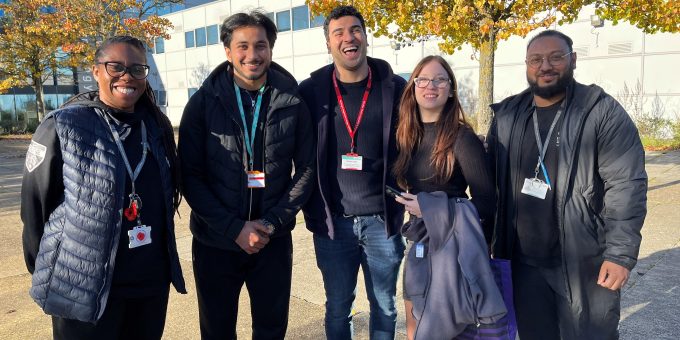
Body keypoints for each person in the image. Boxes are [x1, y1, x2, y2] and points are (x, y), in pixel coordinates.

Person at [21, 35, 186, 339]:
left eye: (138, 69)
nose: (127, 76)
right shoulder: (62, 126)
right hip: (82, 288)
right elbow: (34, 210)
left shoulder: (156, 126)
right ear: (96, 71)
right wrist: (49, 269)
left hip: (149, 285)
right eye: (116, 66)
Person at [486, 29, 648, 340]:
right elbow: (489, 183)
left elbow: (626, 184)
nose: (545, 66)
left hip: (584, 261)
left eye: (555, 57)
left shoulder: (599, 111)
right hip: (524, 264)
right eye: (536, 59)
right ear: (527, 65)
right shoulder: (508, 116)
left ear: (572, 60)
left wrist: (619, 254)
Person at [178, 10, 315, 340]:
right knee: (217, 329)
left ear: (271, 48)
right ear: (227, 50)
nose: (252, 55)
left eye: (261, 45)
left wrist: (270, 223)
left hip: (273, 241)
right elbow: (189, 175)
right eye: (242, 46)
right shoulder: (202, 103)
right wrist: (233, 228)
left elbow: (307, 169)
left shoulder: (293, 100)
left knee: (270, 329)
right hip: (215, 242)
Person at [299, 5, 407, 340]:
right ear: (328, 42)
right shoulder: (311, 90)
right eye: (339, 32)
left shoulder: (394, 87)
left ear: (365, 36)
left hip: (382, 221)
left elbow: (414, 144)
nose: (349, 37)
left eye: (355, 29)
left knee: (385, 306)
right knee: (337, 308)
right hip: (334, 224)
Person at [390, 55, 497, 339]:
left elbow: (487, 202)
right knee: (415, 324)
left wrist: (432, 209)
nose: (431, 86)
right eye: (423, 79)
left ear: (450, 89)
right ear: (413, 87)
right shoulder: (406, 135)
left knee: (449, 329)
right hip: (418, 244)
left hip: (453, 247)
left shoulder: (462, 138)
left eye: (440, 79)